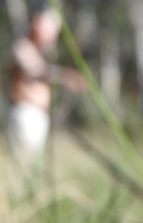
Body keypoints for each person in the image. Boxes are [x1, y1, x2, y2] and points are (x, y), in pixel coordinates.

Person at [6, 9, 85, 161]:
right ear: (36, 26)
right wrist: (65, 77)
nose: (52, 36)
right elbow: (36, 70)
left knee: (35, 162)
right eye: (49, 30)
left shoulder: (38, 52)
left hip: (38, 116)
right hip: (26, 115)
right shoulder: (22, 47)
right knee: (26, 162)